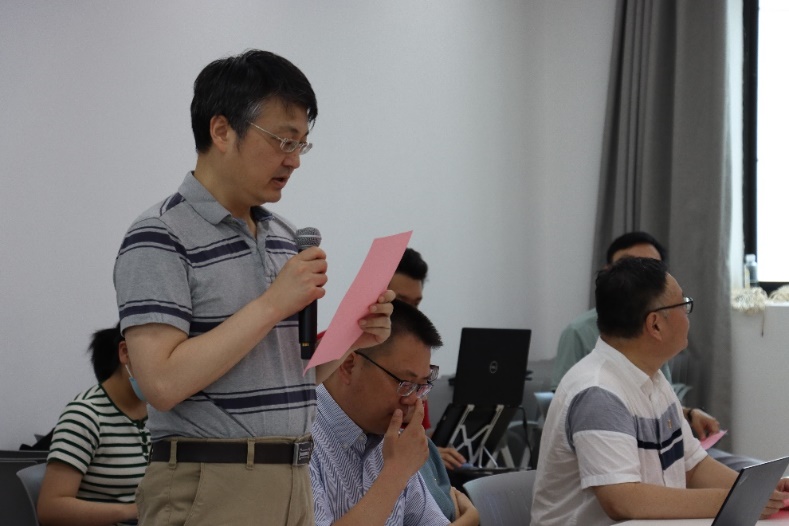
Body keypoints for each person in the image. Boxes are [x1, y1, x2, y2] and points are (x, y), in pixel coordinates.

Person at [113, 49, 394, 525]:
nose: (294, 161)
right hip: (212, 484)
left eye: (301, 145)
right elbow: (160, 384)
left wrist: (353, 339)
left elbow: (293, 374)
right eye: (283, 141)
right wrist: (272, 304)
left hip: (295, 480)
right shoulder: (159, 235)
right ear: (222, 131)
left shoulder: (284, 236)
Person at [531, 258, 789, 525]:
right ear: (655, 324)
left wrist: (760, 492)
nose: (687, 316)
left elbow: (693, 465)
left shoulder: (652, 378)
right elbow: (623, 500)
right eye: (683, 305)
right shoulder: (598, 392)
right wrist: (736, 501)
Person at [310, 300, 479, 526]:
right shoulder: (300, 439)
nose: (412, 400)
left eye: (421, 386)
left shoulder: (388, 437)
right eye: (404, 383)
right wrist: (397, 471)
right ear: (349, 365)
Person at [550, 231, 720, 439]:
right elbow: (565, 406)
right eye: (629, 265)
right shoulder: (579, 336)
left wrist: (688, 413)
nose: (639, 277)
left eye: (651, 268)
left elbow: (656, 403)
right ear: (610, 272)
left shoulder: (654, 354)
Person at [39, 323, 150, 526]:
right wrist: (133, 511)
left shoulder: (160, 414)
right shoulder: (85, 415)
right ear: (125, 352)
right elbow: (50, 509)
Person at [388, 248, 464, 521]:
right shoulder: (334, 356)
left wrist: (430, 454)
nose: (410, 315)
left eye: (416, 304)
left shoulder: (416, 365)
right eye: (400, 303)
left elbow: (418, 431)